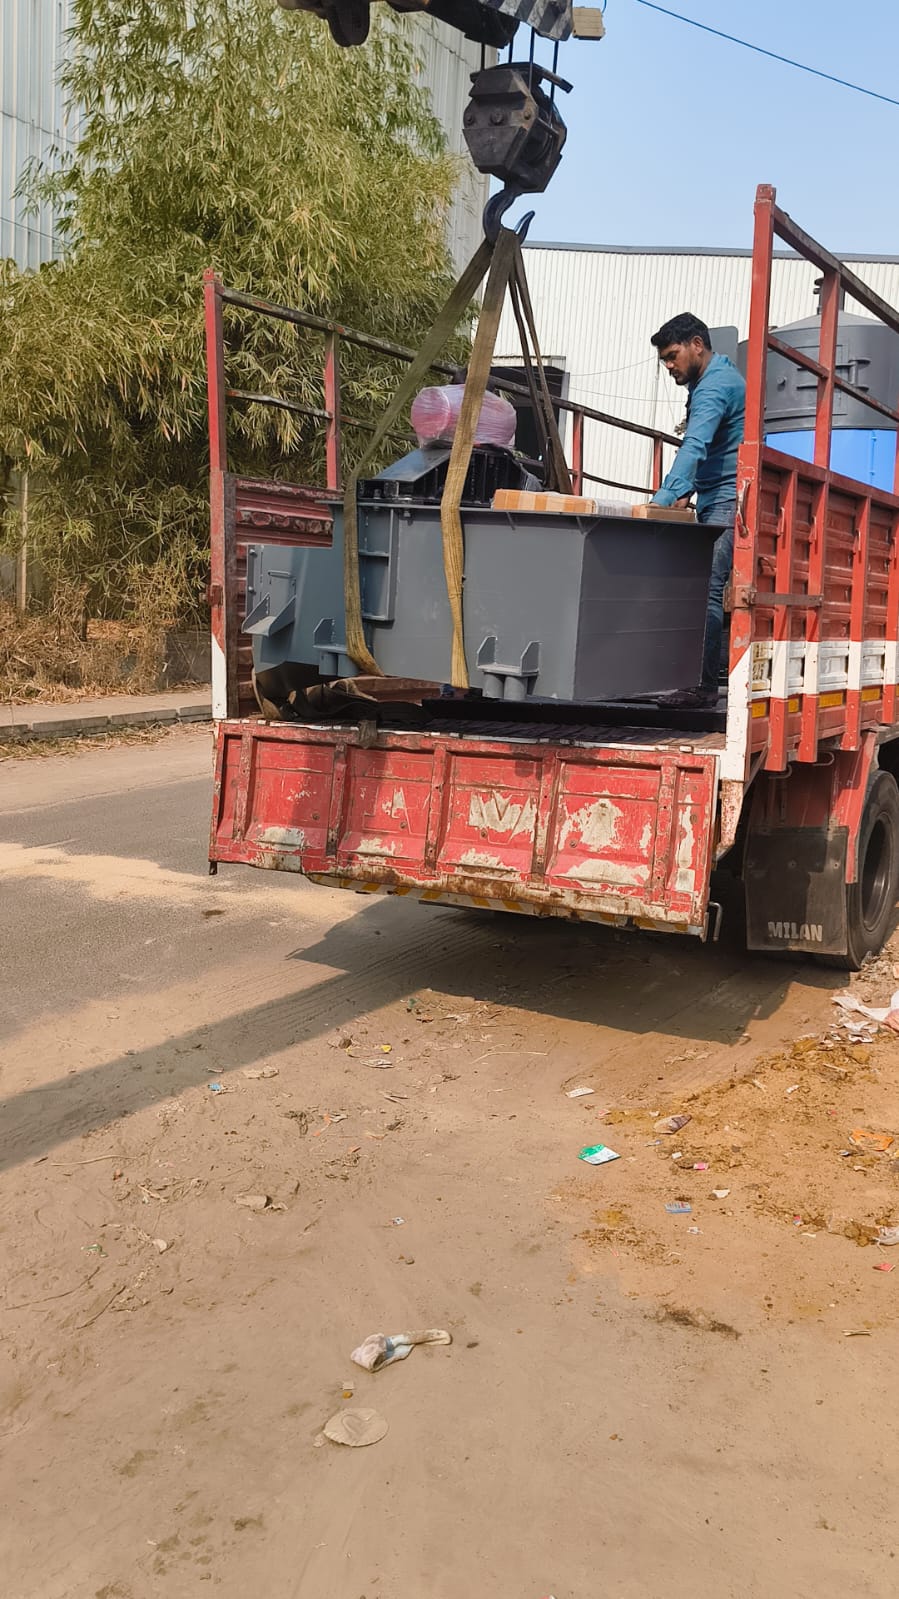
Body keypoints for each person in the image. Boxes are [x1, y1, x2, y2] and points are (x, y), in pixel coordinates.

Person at [649, 312, 746, 707]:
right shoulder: (712, 379)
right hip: (714, 493)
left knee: (706, 589)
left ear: (697, 344)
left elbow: (696, 444)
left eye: (672, 356)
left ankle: (703, 687)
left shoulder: (714, 387)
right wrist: (686, 491)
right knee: (702, 587)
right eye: (664, 360)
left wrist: (661, 500)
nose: (669, 366)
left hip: (726, 498)